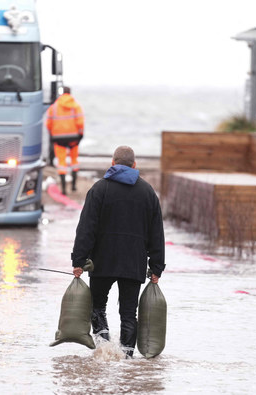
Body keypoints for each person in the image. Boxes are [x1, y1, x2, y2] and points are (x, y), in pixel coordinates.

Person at [71, 146, 165, 357]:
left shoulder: (99, 189)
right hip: (133, 263)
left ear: (113, 163)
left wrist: (78, 259)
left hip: (102, 262)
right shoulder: (148, 192)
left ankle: (104, 349)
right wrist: (157, 266)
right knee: (129, 313)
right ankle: (127, 359)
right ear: (134, 165)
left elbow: (86, 228)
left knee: (97, 307)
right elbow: (157, 233)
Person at [46, 86, 84, 195]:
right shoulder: (76, 106)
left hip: (59, 139)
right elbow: (80, 123)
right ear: (70, 93)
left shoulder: (53, 108)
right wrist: (80, 135)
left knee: (61, 163)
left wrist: (52, 134)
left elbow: (48, 124)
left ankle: (63, 189)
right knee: (74, 161)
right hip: (74, 138)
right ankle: (73, 186)